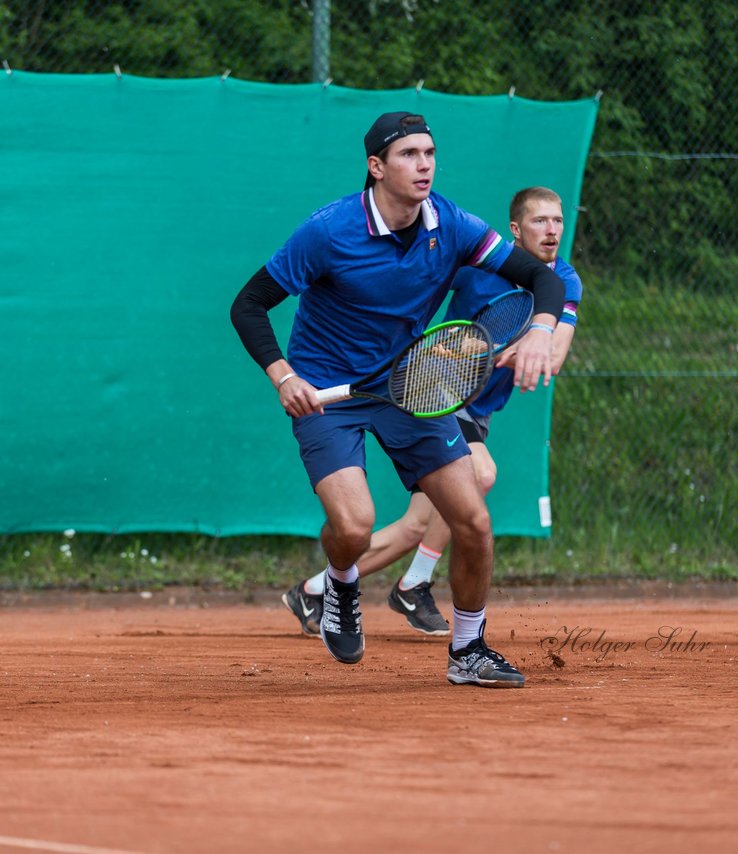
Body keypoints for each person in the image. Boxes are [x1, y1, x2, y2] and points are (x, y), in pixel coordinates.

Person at [230, 112, 565, 688]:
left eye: (430, 153)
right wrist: (284, 376)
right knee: (355, 526)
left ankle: (468, 651)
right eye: (409, 154)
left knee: (474, 522)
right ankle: (340, 580)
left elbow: (543, 280)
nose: (425, 164)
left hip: (409, 384)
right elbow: (249, 303)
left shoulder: (453, 224)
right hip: (326, 389)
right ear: (376, 167)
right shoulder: (330, 232)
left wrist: (540, 329)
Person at [281, 187, 582, 637]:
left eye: (557, 221)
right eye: (540, 221)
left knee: (415, 526)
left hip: (479, 411)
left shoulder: (564, 280)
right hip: (438, 393)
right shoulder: (476, 264)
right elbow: (424, 305)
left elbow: (553, 355)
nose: (552, 230)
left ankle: (314, 590)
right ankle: (417, 583)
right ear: (516, 231)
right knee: (481, 475)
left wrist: (518, 345)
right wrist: (446, 346)